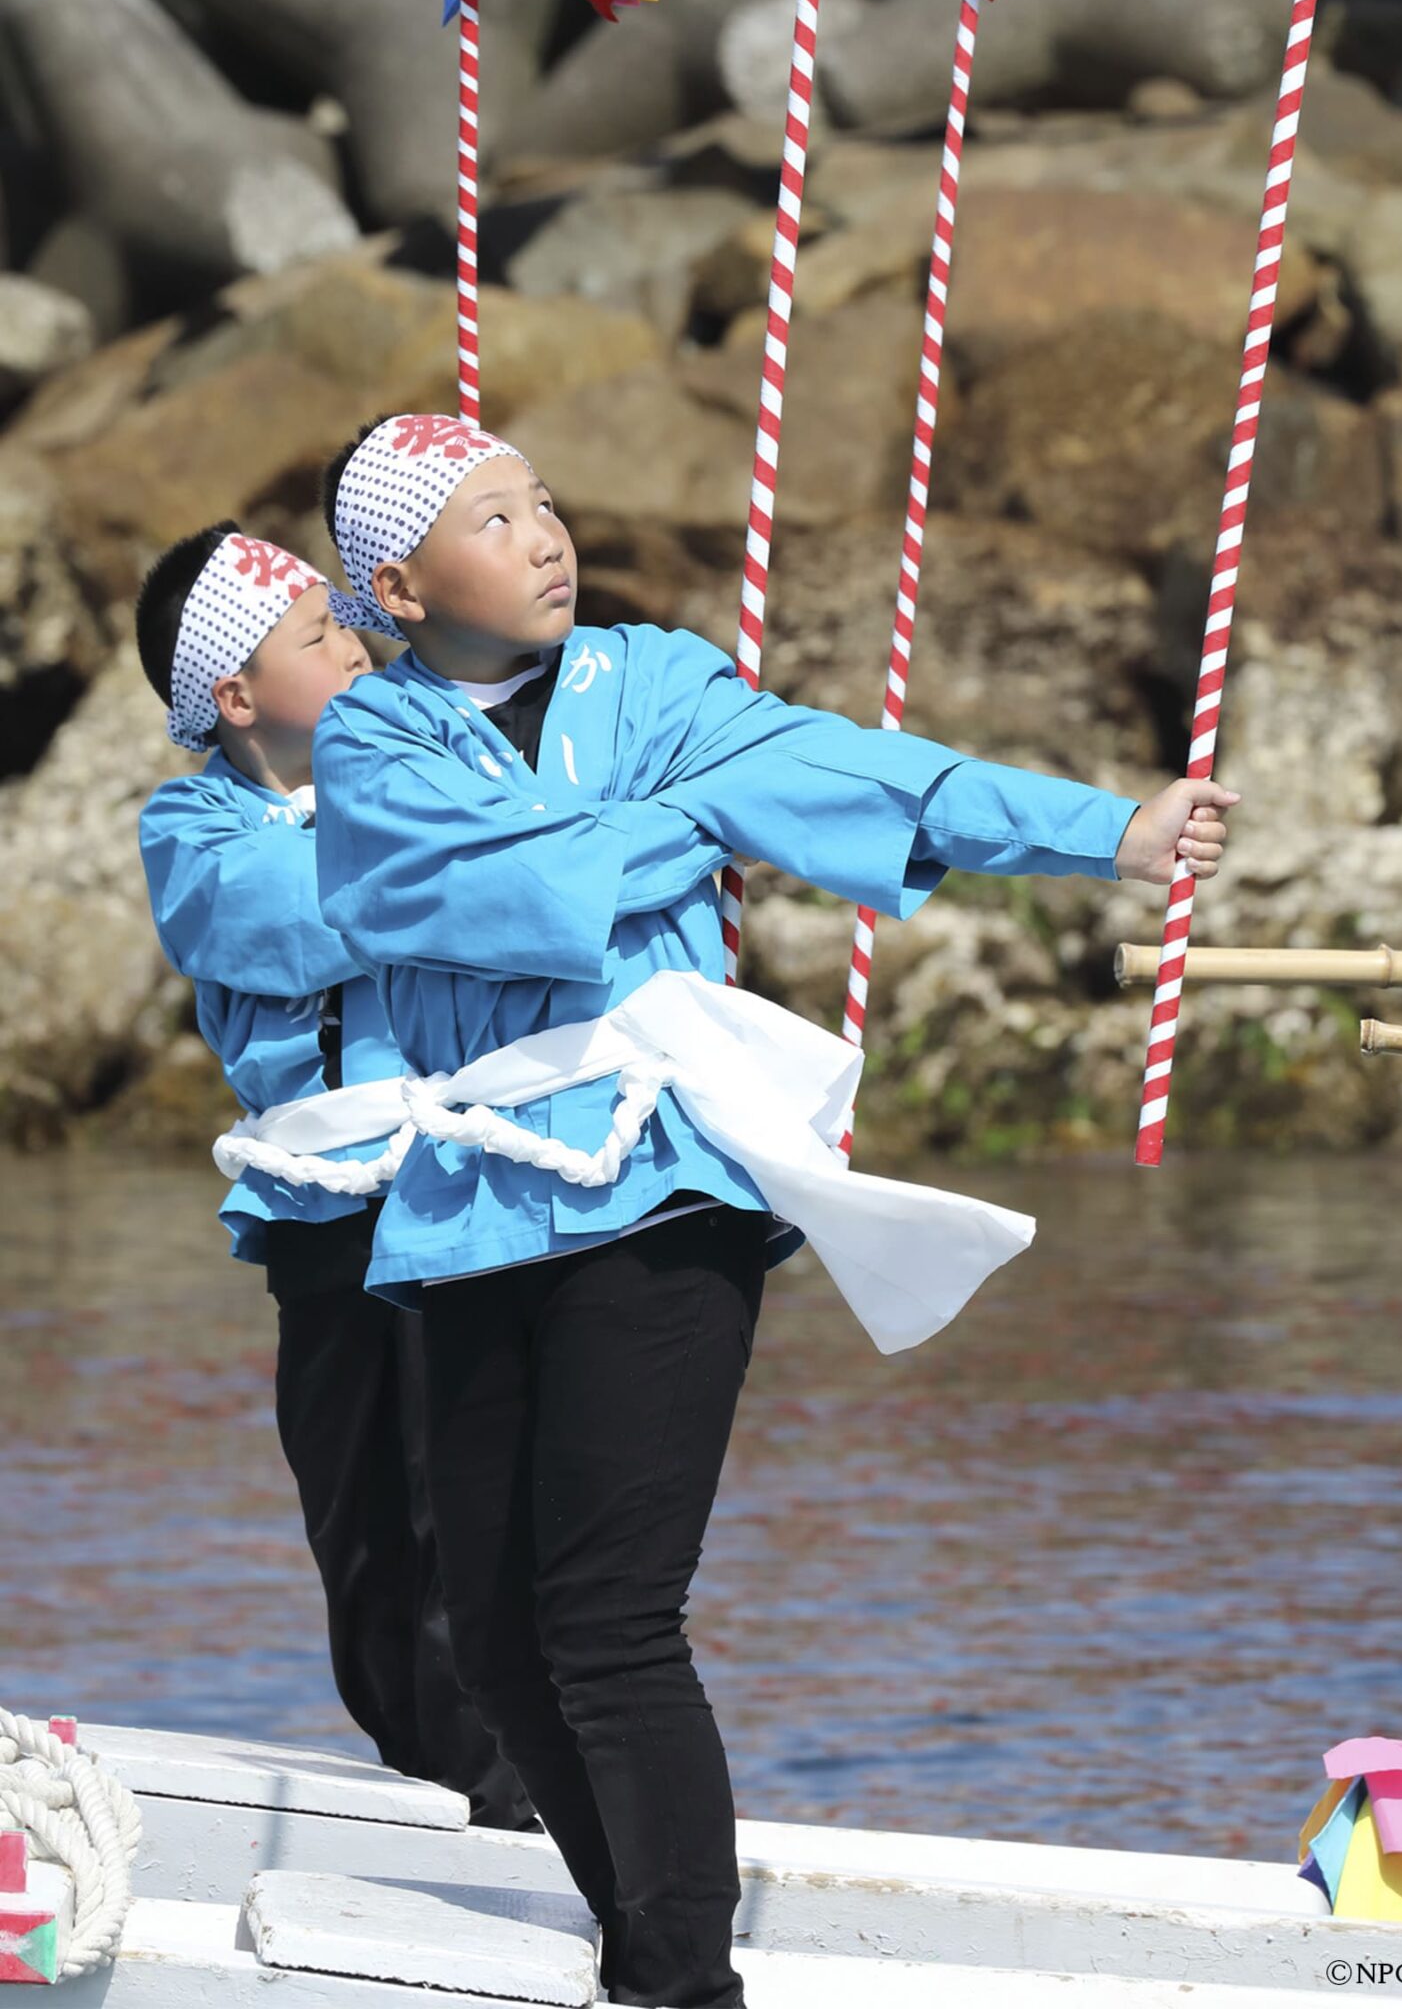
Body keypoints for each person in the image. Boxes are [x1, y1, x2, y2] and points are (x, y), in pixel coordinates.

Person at [309, 410, 1238, 2009]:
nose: (544, 535)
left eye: (545, 500)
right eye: (492, 516)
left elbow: (843, 771)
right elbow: (453, 888)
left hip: (664, 1177)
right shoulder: (369, 742)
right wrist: (681, 825)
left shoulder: (652, 678)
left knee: (607, 1615)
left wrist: (1109, 833)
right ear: (399, 582)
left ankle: (678, 1982)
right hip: (471, 1200)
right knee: (497, 1630)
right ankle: (641, 1946)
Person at [133, 522, 532, 1829]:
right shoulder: (196, 826)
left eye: (349, 622)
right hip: (335, 1221)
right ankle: (447, 1792)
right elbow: (308, 915)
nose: (357, 646)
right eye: (319, 635)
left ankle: (524, 1790)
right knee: (367, 1534)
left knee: (491, 1503)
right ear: (236, 700)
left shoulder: (433, 756)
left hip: (476, 1190)